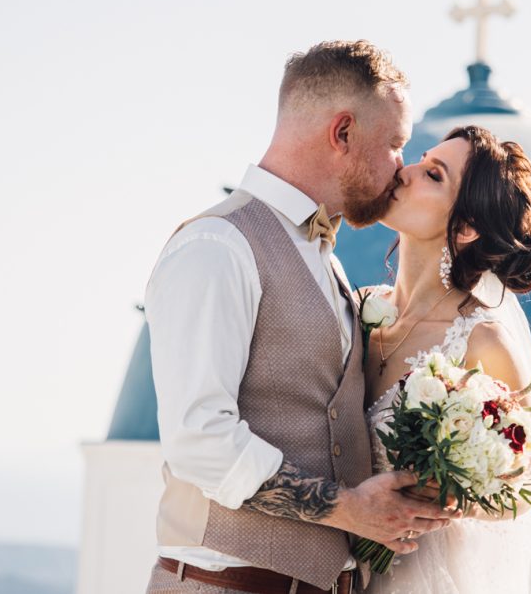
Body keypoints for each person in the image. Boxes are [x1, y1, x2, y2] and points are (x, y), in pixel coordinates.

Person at [144, 40, 461, 594]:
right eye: (393, 144)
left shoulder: (326, 262)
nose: (400, 167)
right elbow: (198, 439)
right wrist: (348, 510)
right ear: (342, 133)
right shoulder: (218, 246)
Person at [361, 124, 531, 594]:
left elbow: (520, 496)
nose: (404, 172)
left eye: (433, 175)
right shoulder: (361, 310)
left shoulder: (483, 341)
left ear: (466, 226)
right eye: (421, 159)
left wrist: (447, 495)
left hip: (424, 577)